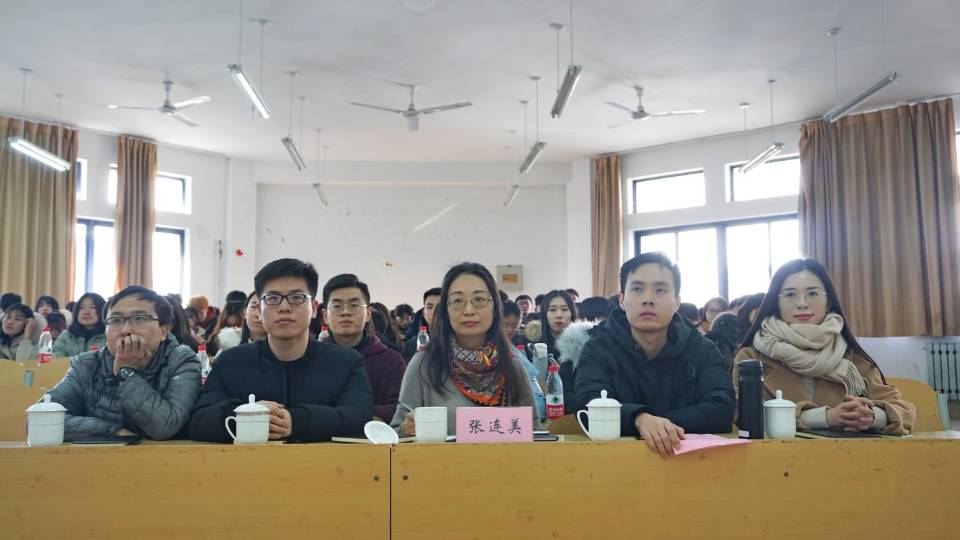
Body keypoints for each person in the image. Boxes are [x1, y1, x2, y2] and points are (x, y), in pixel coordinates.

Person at [189, 259, 373, 443]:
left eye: (297, 298)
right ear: (259, 309)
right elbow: (199, 420)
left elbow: (359, 417)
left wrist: (297, 421)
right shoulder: (231, 362)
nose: (284, 307)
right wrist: (247, 416)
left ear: (314, 308)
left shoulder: (346, 363)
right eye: (272, 299)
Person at [574, 253, 735, 458]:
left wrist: (655, 423)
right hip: (616, 462)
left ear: (677, 301)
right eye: (637, 289)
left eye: (660, 290)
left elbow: (721, 409)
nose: (648, 299)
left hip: (688, 464)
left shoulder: (702, 349)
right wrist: (639, 419)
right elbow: (587, 404)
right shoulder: (598, 347)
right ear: (622, 300)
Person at [733, 259, 915, 435]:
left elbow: (905, 411)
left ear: (828, 302)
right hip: (776, 455)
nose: (802, 303)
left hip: (847, 454)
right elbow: (744, 416)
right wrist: (825, 418)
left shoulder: (851, 357)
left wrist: (871, 416)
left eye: (812, 294)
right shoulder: (751, 358)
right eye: (790, 295)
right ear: (776, 303)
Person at [391, 263, 539, 436]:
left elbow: (535, 432)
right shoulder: (424, 364)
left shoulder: (512, 365)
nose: (469, 310)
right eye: (458, 301)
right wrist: (406, 430)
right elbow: (395, 433)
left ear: (495, 308)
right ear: (446, 310)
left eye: (479, 300)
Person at [45, 286, 202, 440]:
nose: (125, 330)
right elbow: (44, 418)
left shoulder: (181, 360)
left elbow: (166, 426)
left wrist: (126, 372)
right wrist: (111, 431)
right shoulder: (86, 365)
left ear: (163, 331)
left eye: (139, 318)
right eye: (116, 320)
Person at [322, 273, 406, 422]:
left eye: (354, 306)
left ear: (368, 313)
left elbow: (399, 409)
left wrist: (337, 413)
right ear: (325, 316)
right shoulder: (313, 358)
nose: (345, 312)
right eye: (337, 306)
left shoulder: (391, 360)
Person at [52, 293, 107, 357]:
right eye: (81, 308)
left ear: (103, 310)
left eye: (92, 307)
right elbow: (56, 357)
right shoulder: (67, 335)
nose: (86, 312)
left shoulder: (108, 336)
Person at [402, 288, 441, 364]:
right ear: (423, 312)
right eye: (429, 307)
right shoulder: (412, 346)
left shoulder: (463, 341)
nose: (434, 311)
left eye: (440, 307)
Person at [539, 290, 578, 359]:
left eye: (564, 309)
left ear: (572, 313)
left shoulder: (583, 345)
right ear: (545, 314)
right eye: (552, 310)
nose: (559, 315)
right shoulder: (532, 346)